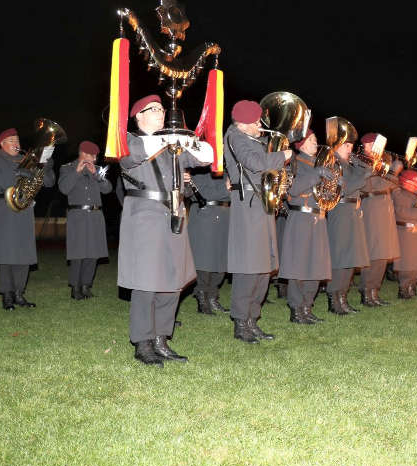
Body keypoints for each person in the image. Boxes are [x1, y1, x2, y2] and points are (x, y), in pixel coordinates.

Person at [118, 94, 212, 366]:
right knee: (146, 281)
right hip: (145, 214)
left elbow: (207, 157)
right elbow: (131, 156)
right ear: (139, 116)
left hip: (174, 213)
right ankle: (143, 342)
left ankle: (161, 338)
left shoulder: (171, 145)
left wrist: (186, 139)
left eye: (162, 109)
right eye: (154, 109)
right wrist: (170, 139)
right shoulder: (129, 138)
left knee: (172, 280)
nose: (162, 113)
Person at [224, 99, 293, 343]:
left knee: (264, 266)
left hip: (261, 204)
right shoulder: (236, 137)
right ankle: (241, 322)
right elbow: (254, 164)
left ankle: (253, 319)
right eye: (255, 123)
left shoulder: (253, 139)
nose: (260, 126)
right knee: (248, 266)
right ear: (242, 124)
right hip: (248, 204)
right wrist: (282, 155)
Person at [0, 128, 55, 310]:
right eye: (11, 141)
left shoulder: (29, 161)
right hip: (4, 209)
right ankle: (7, 295)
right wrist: (18, 173)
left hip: (24, 210)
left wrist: (45, 165)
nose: (16, 144)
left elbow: (49, 183)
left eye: (17, 140)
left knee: (24, 253)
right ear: (2, 144)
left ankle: (19, 293)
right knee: (6, 253)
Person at [279, 131, 334, 323]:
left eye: (316, 140)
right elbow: (292, 189)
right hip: (300, 217)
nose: (316, 144)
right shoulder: (293, 163)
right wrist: (316, 175)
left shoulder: (320, 165)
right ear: (301, 145)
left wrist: (337, 184)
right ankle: (296, 309)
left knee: (316, 266)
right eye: (312, 140)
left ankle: (307, 307)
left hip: (319, 218)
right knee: (299, 267)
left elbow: (328, 194)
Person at [325, 119, 371, 314]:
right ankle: (334, 299)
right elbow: (345, 188)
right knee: (340, 257)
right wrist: (365, 174)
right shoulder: (332, 163)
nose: (350, 149)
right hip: (340, 211)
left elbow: (364, 187)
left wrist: (365, 166)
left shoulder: (351, 164)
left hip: (353, 213)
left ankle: (342, 296)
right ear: (336, 146)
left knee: (351, 258)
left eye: (351, 145)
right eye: (346, 145)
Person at [58, 140, 112, 300]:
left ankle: (86, 286)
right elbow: (63, 188)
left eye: (96, 156)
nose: (94, 159)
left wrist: (96, 174)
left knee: (93, 253)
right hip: (77, 215)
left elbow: (107, 188)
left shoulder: (98, 169)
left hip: (95, 215)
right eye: (91, 155)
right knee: (78, 253)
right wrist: (77, 171)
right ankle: (75, 287)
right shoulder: (67, 168)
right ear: (82, 153)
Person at [358, 133, 400, 306]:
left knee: (382, 254)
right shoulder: (361, 162)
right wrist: (392, 173)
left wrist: (390, 174)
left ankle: (375, 290)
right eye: (369, 146)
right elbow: (374, 185)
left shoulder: (383, 163)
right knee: (373, 253)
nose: (371, 149)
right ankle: (366, 291)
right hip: (372, 208)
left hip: (384, 210)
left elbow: (394, 184)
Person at [186, 166, 231, 315]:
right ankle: (202, 296)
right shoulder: (199, 167)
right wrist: (226, 190)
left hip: (224, 214)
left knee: (221, 262)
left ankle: (212, 296)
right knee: (204, 262)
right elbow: (202, 193)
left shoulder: (226, 167)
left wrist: (230, 191)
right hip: (205, 215)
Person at [392, 170, 417, 299]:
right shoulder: (399, 194)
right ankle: (403, 289)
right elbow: (401, 212)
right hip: (406, 232)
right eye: (414, 180)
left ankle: (411, 287)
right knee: (407, 264)